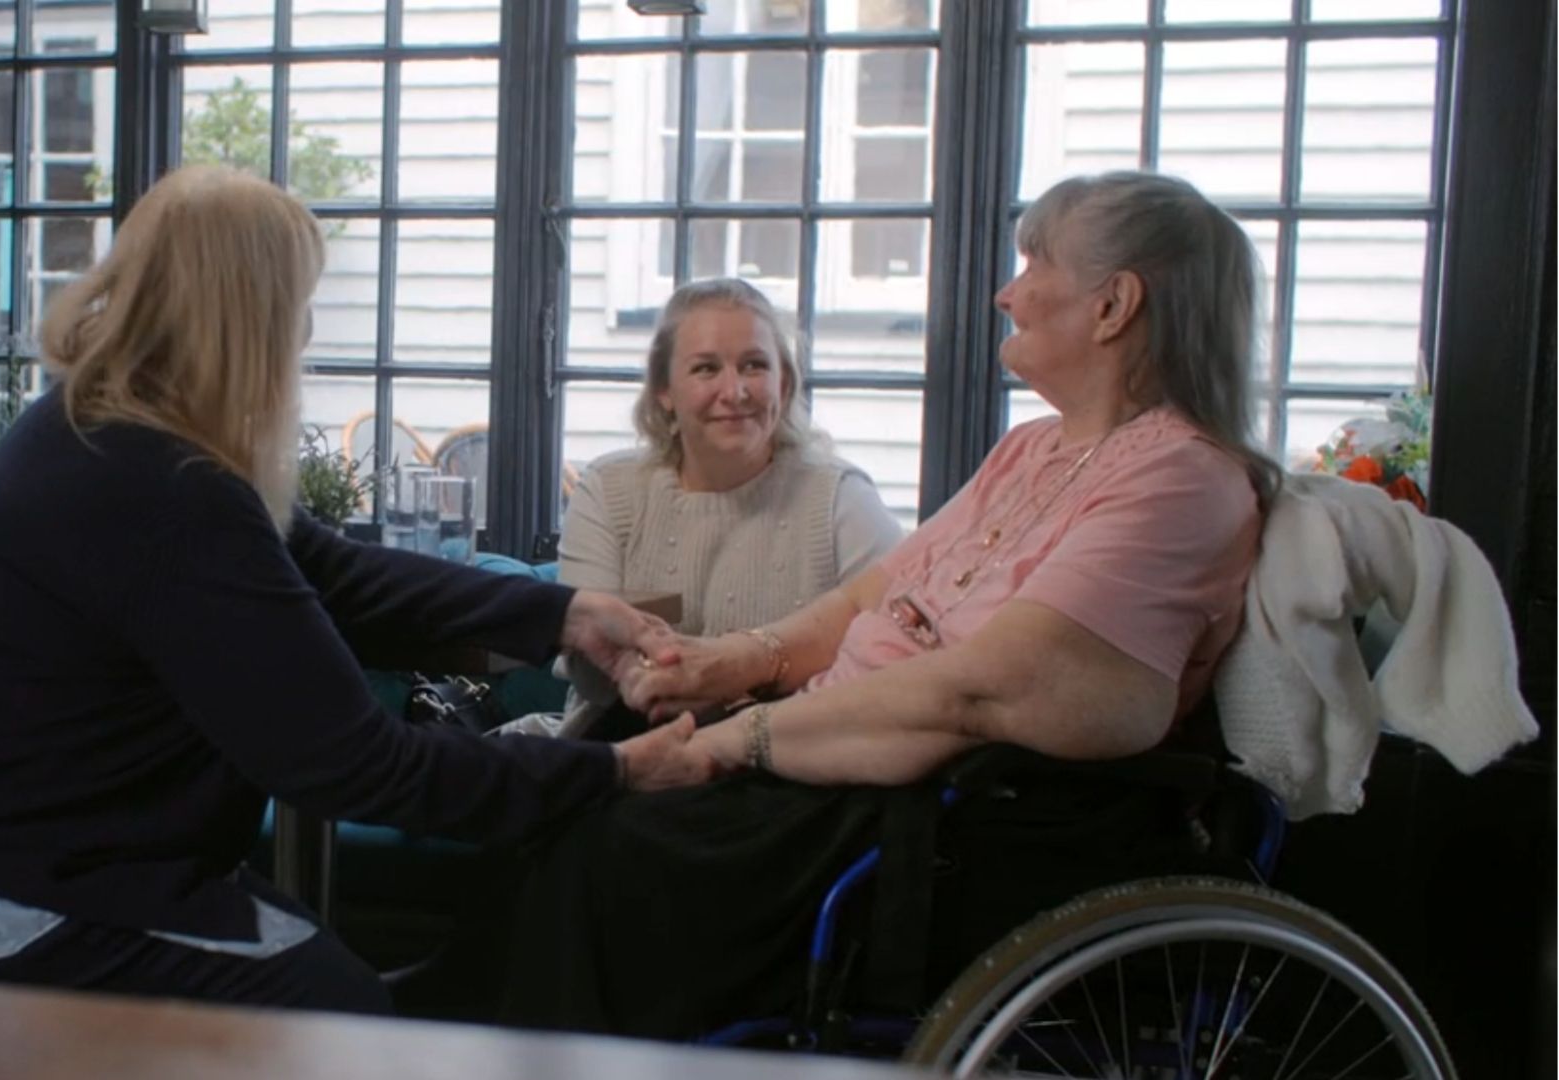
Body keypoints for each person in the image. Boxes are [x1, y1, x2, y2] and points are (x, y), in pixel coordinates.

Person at [0, 165, 714, 1016]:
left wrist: (558, 612)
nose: (304, 333)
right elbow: (359, 767)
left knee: (322, 969)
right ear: (251, 318)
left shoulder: (107, 428)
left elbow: (327, 570)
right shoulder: (160, 490)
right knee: (330, 1015)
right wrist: (615, 775)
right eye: (296, 306)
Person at [500, 170, 1276, 1037]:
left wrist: (735, 740)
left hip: (936, 821)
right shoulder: (1031, 448)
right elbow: (877, 591)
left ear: (1113, 306)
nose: (1005, 292)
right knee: (582, 782)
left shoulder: (1177, 478)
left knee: (606, 847)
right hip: (847, 769)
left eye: (1034, 263)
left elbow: (977, 690)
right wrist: (743, 659)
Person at [519, 279, 900, 741]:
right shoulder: (607, 490)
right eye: (706, 369)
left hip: (795, 757)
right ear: (664, 390)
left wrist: (724, 681)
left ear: (784, 381)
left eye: (754, 365)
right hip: (626, 750)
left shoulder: (841, 497)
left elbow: (896, 648)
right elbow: (594, 674)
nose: (735, 391)